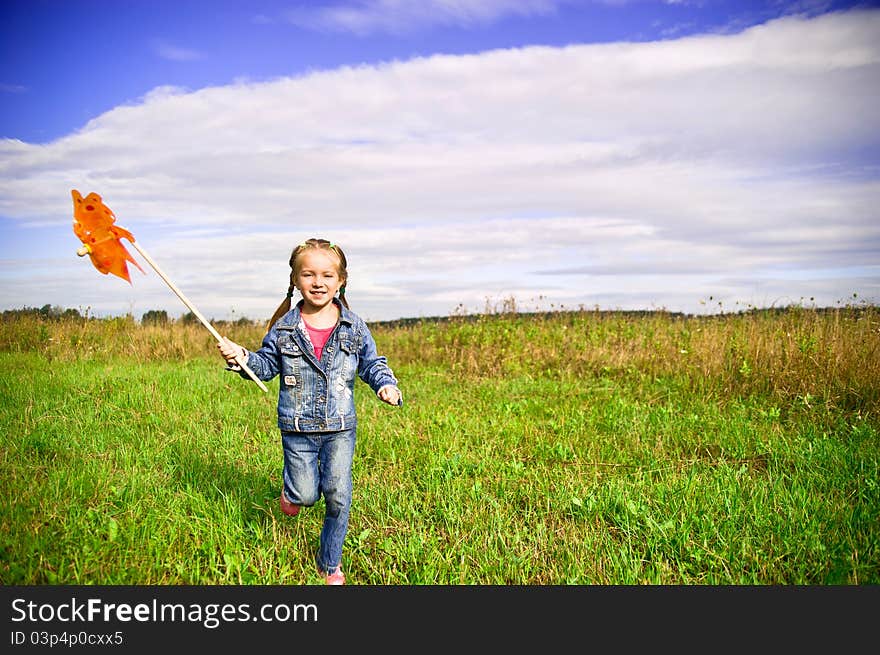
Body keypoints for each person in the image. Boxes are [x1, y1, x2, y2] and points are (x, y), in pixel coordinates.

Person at [217, 238, 402, 585]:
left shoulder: (354, 327)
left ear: (341, 280)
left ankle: (329, 564)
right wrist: (241, 358)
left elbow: (371, 363)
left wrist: (384, 385)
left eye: (327, 275)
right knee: (305, 494)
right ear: (295, 280)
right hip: (298, 427)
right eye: (309, 274)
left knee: (338, 495)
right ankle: (292, 492)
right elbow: (265, 365)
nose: (318, 282)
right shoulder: (284, 329)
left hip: (339, 428)